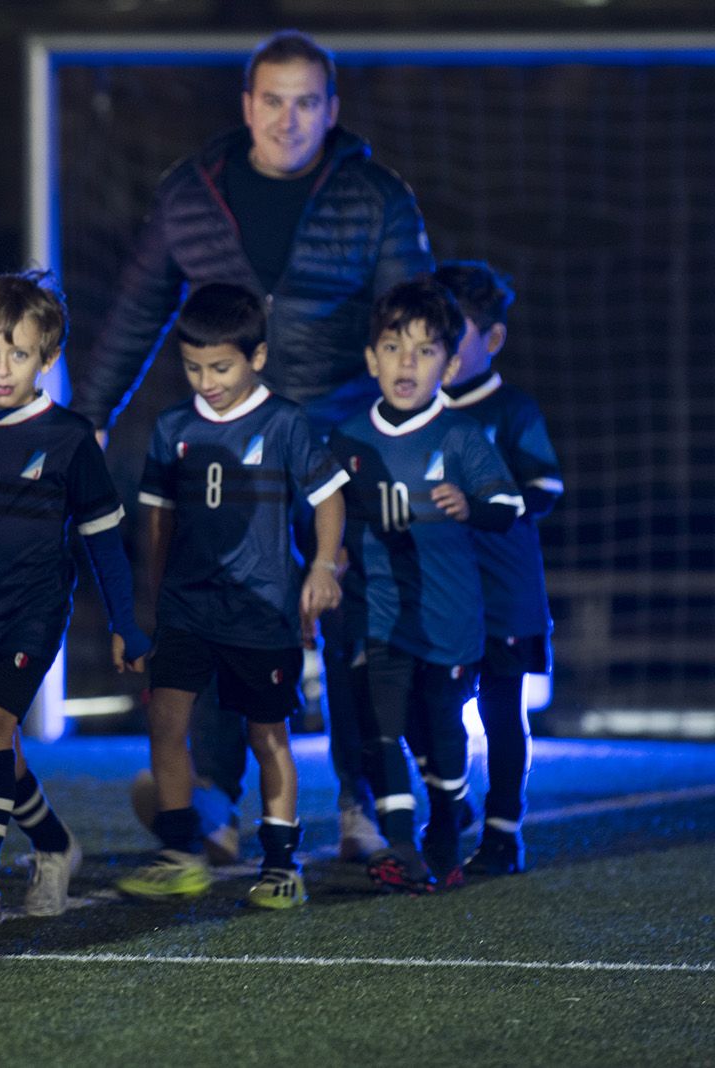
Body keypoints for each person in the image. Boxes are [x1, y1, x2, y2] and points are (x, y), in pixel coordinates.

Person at [74, 29, 433, 861]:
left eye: (306, 101)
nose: (288, 118)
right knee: (214, 622)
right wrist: (91, 413)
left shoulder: (378, 195)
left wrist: (418, 435)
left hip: (340, 443)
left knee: (356, 628)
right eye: (273, 100)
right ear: (246, 105)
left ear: (332, 110)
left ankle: (361, 801)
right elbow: (136, 309)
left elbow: (410, 322)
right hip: (226, 458)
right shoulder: (189, 193)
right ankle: (215, 808)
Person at [0, 271, 151, 925]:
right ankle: (54, 845)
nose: (3, 368)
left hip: (32, 612)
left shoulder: (70, 439)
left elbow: (103, 540)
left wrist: (123, 622)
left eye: (19, 354)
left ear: (47, 360)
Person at [116, 283, 347, 909]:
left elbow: (330, 498)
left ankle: (280, 865)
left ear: (258, 357)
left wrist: (322, 566)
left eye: (221, 366)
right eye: (193, 367)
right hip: (187, 608)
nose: (206, 380)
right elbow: (156, 522)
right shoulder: (173, 428)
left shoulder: (285, 423)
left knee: (267, 734)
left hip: (261, 610)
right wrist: (147, 608)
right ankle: (179, 854)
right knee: (165, 724)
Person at [329, 278, 523, 894]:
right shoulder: (349, 439)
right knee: (380, 726)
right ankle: (402, 849)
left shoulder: (461, 437)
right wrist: (325, 561)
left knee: (442, 734)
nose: (406, 363)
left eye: (424, 351)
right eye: (392, 348)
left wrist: (470, 504)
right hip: (380, 614)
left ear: (451, 361)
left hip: (448, 618)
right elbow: (328, 512)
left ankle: (443, 831)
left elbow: (510, 505)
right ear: (370, 359)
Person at [436, 261, 562, 875]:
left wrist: (485, 501)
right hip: (437, 595)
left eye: (452, 332)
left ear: (493, 339)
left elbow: (544, 488)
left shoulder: (511, 410)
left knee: (500, 712)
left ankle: (503, 833)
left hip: (505, 595)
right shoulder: (414, 411)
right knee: (425, 703)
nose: (438, 348)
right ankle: (452, 799)